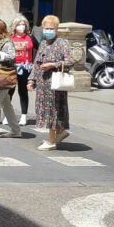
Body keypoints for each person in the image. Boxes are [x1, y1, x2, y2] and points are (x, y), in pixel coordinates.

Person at [29, 15, 75, 151]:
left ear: (56, 29)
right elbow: (37, 63)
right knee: (46, 111)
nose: (48, 30)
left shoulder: (62, 42)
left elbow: (70, 61)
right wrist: (31, 80)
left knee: (53, 112)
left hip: (55, 85)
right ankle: (59, 133)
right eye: (46, 28)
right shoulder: (43, 43)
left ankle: (51, 140)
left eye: (51, 28)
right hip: (43, 85)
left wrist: (53, 64)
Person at [8, 15, 37, 126]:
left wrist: (35, 63)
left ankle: (24, 115)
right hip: (12, 67)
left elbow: (40, 48)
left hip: (25, 68)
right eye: (19, 24)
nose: (22, 27)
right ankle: (8, 115)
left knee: (23, 91)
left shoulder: (30, 37)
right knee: (9, 91)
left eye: (24, 24)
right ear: (14, 26)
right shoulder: (10, 38)